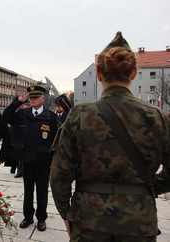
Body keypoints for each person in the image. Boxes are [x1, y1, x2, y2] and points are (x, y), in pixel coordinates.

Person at [50, 32, 170, 242]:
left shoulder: (79, 115)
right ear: (133, 73)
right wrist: (145, 187)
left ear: (98, 73)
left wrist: (67, 215)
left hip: (89, 221)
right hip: (139, 222)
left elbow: (59, 175)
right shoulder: (157, 118)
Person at [3, 85, 58, 231]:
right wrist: (18, 102)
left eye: (36, 97)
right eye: (31, 97)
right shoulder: (22, 114)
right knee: (28, 191)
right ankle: (28, 217)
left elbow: (55, 141)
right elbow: (6, 117)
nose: (32, 100)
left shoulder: (51, 117)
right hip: (26, 161)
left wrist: (54, 161)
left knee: (42, 191)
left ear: (43, 98)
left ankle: (41, 218)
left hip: (43, 162)